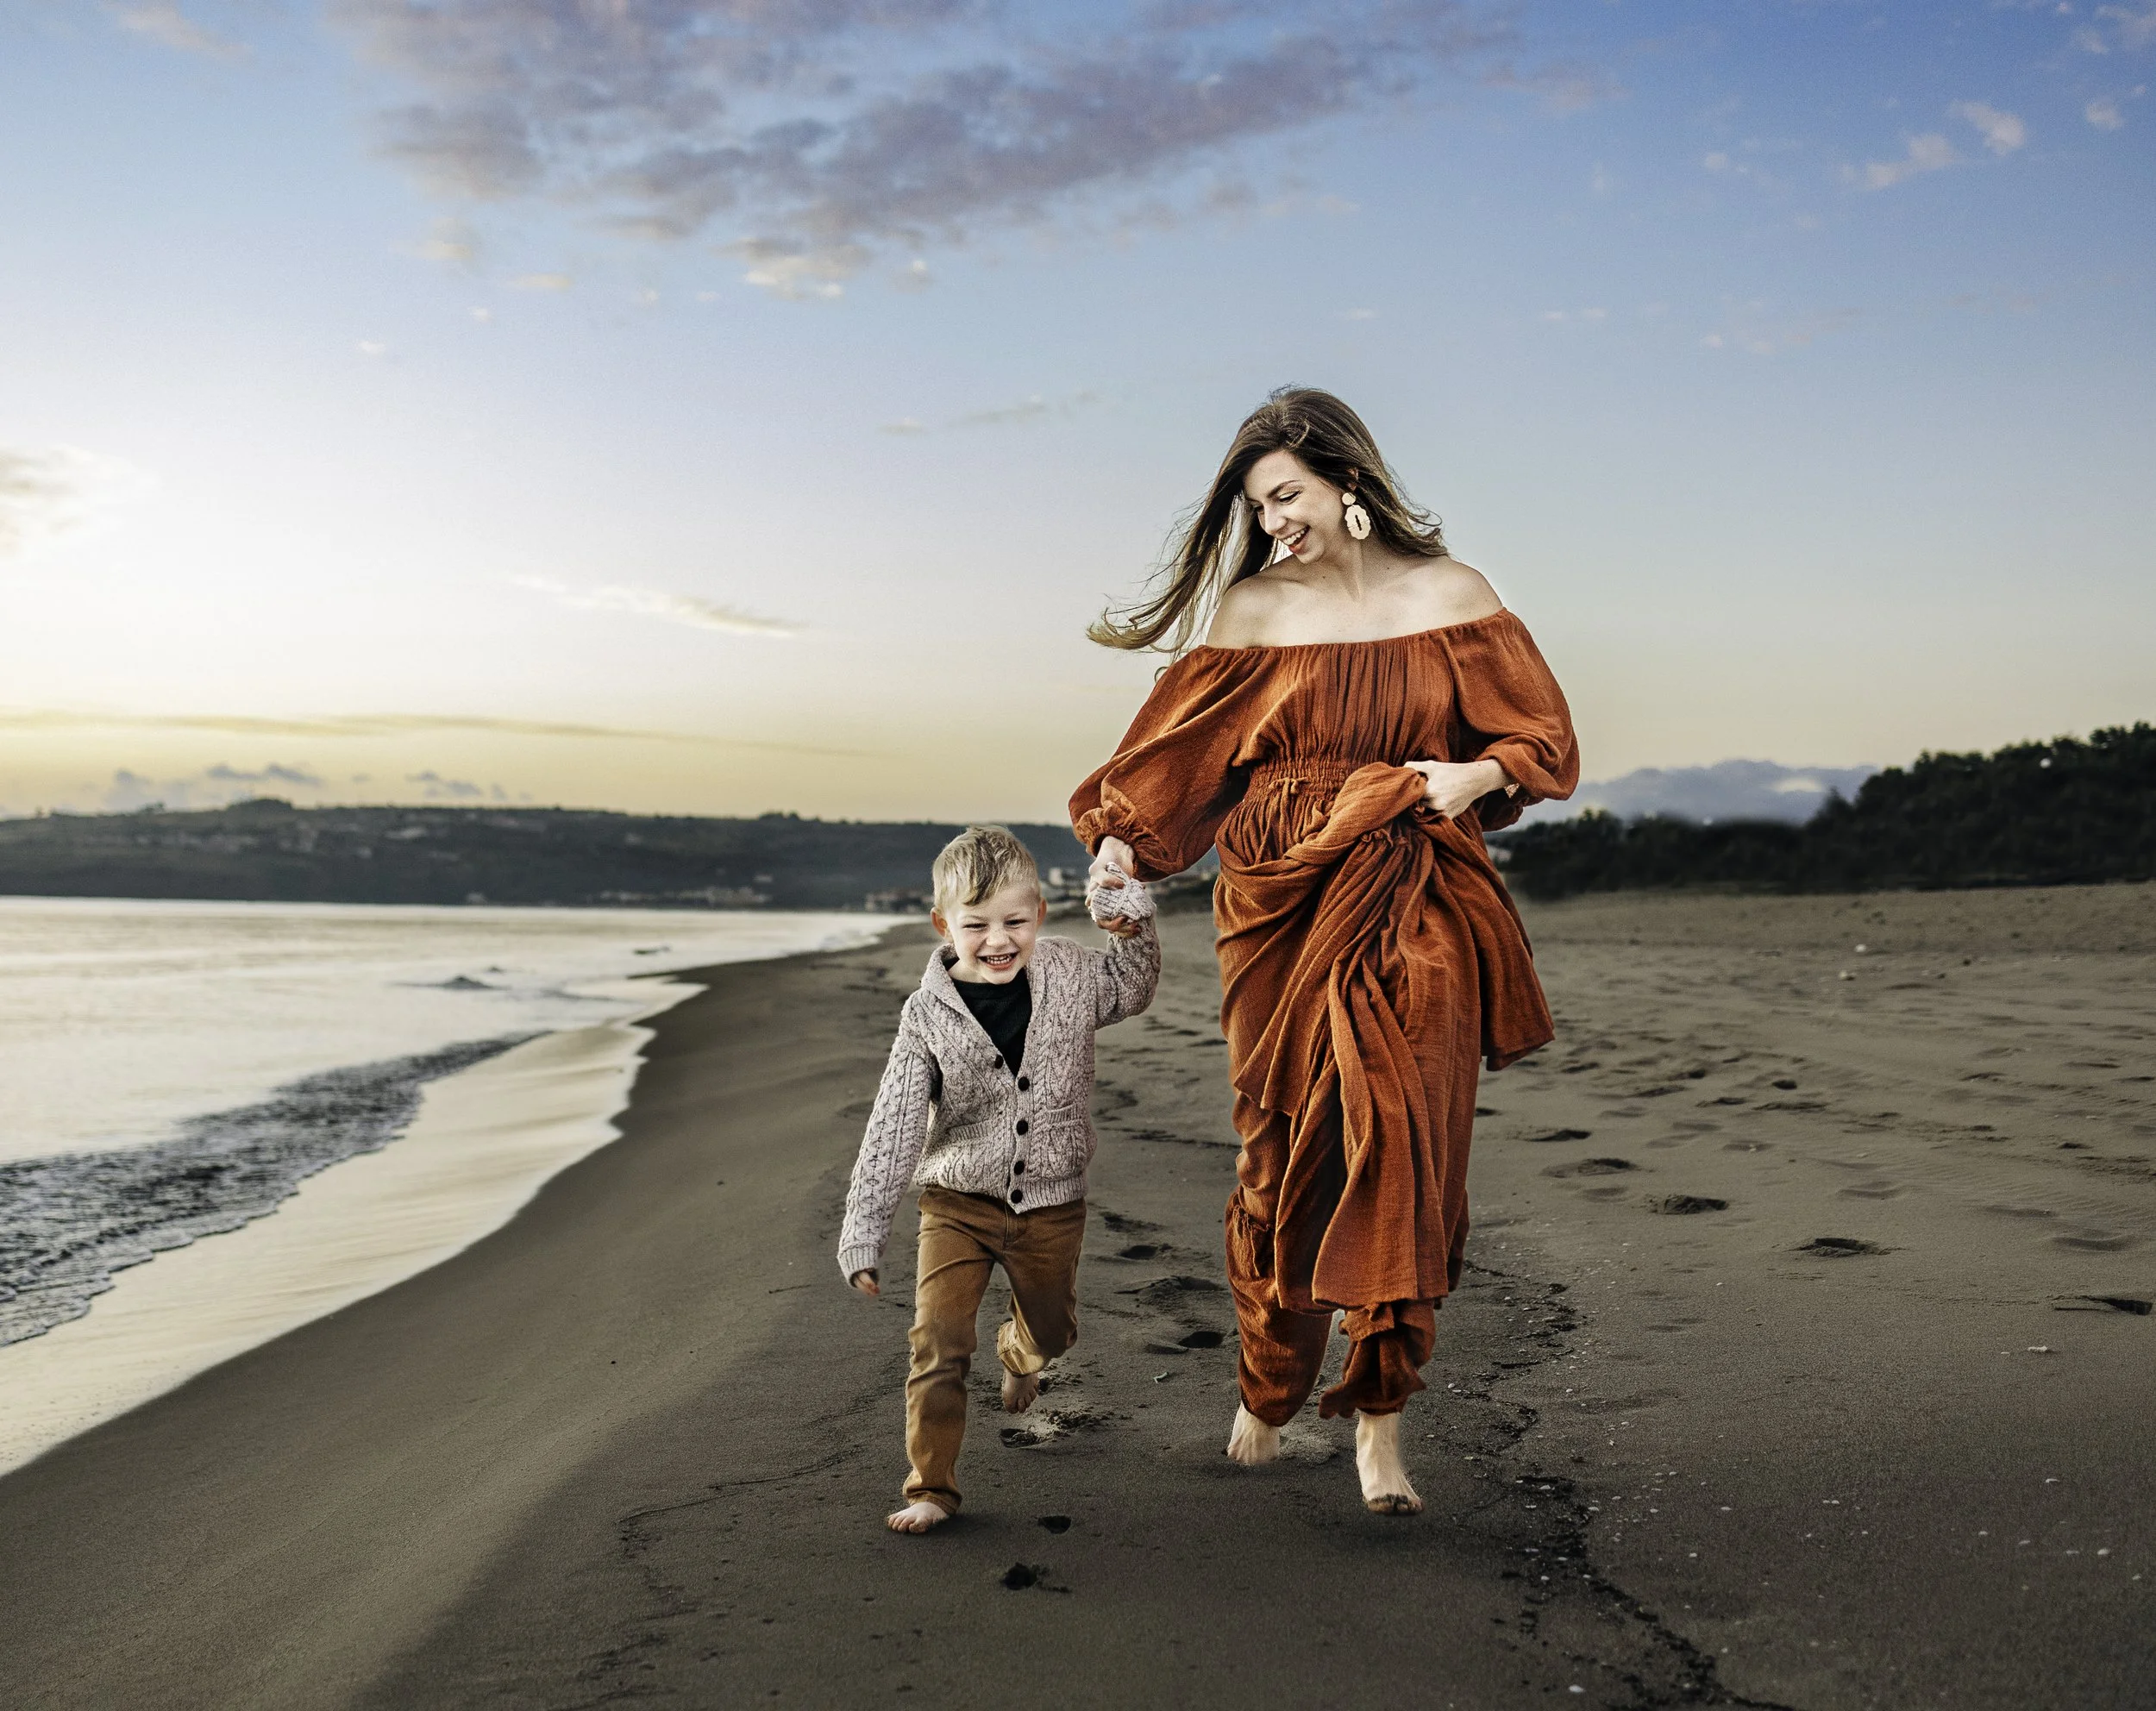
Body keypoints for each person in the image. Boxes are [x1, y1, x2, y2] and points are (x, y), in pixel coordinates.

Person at [1070, 387, 1578, 1515]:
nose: (1273, 522)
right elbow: (1176, 753)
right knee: (1279, 1145)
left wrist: (1476, 775)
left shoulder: (1454, 596)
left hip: (1415, 879)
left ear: (1348, 478)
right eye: (1256, 506)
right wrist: (1119, 846)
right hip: (1276, 894)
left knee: (1404, 1138)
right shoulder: (1255, 611)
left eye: (1286, 495)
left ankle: (1380, 1427)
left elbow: (1540, 732)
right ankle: (1269, 1388)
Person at [838, 824, 1160, 1533]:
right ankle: (932, 1488)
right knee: (938, 1341)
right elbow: (893, 1123)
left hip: (1052, 1204)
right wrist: (864, 1230)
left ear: (1040, 914)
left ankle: (1023, 1350)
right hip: (955, 1203)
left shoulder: (1073, 974)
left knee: (1054, 1329)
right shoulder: (926, 1014)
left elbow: (1134, 988)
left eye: (1014, 921)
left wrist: (1127, 914)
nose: (997, 940)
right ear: (943, 925)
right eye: (976, 925)